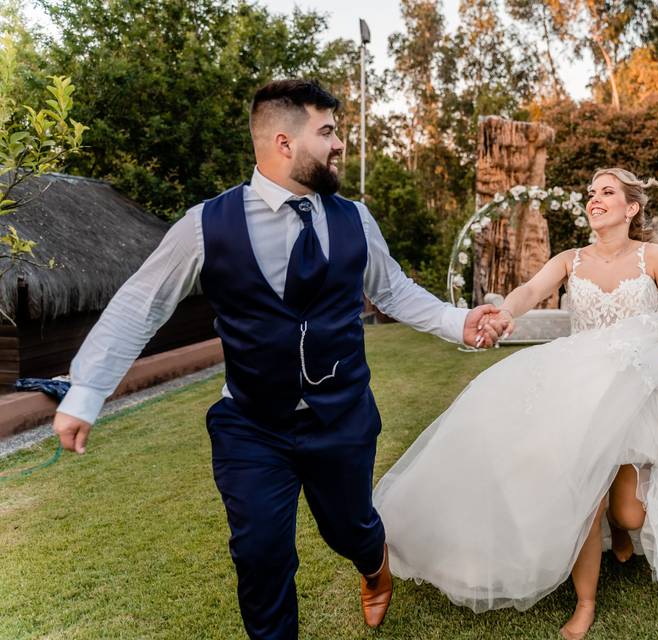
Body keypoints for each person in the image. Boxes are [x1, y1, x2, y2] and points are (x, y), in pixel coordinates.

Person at [51, 78, 504, 639]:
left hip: (340, 416)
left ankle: (374, 563)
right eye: (329, 132)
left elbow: (393, 291)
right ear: (285, 142)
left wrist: (458, 321)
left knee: (350, 528)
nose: (339, 145)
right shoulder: (205, 225)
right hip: (250, 424)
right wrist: (87, 391)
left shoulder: (354, 219)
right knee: (260, 554)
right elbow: (142, 304)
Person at [373, 168, 658, 639]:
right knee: (582, 497)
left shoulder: (653, 258)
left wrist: (653, 372)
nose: (594, 199)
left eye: (607, 192)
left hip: (641, 389)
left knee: (628, 512)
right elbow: (530, 290)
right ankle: (585, 602)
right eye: (591, 193)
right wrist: (506, 312)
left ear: (630, 208)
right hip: (581, 390)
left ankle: (623, 527)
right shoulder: (571, 260)